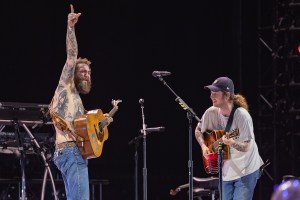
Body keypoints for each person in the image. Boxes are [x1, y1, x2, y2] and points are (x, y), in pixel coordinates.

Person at [49, 5, 113, 200]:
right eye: (83, 71)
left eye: (89, 72)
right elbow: (71, 56)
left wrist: (103, 124)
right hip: (70, 151)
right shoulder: (65, 85)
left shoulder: (76, 100)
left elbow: (85, 129)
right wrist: (70, 27)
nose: (87, 75)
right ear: (73, 74)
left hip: (70, 152)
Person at [195, 76, 263, 200]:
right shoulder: (210, 113)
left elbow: (247, 147)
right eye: (211, 92)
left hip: (246, 170)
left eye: (215, 93)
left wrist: (232, 142)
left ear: (227, 95)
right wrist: (204, 146)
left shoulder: (242, 116)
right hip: (226, 171)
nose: (211, 96)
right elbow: (198, 131)